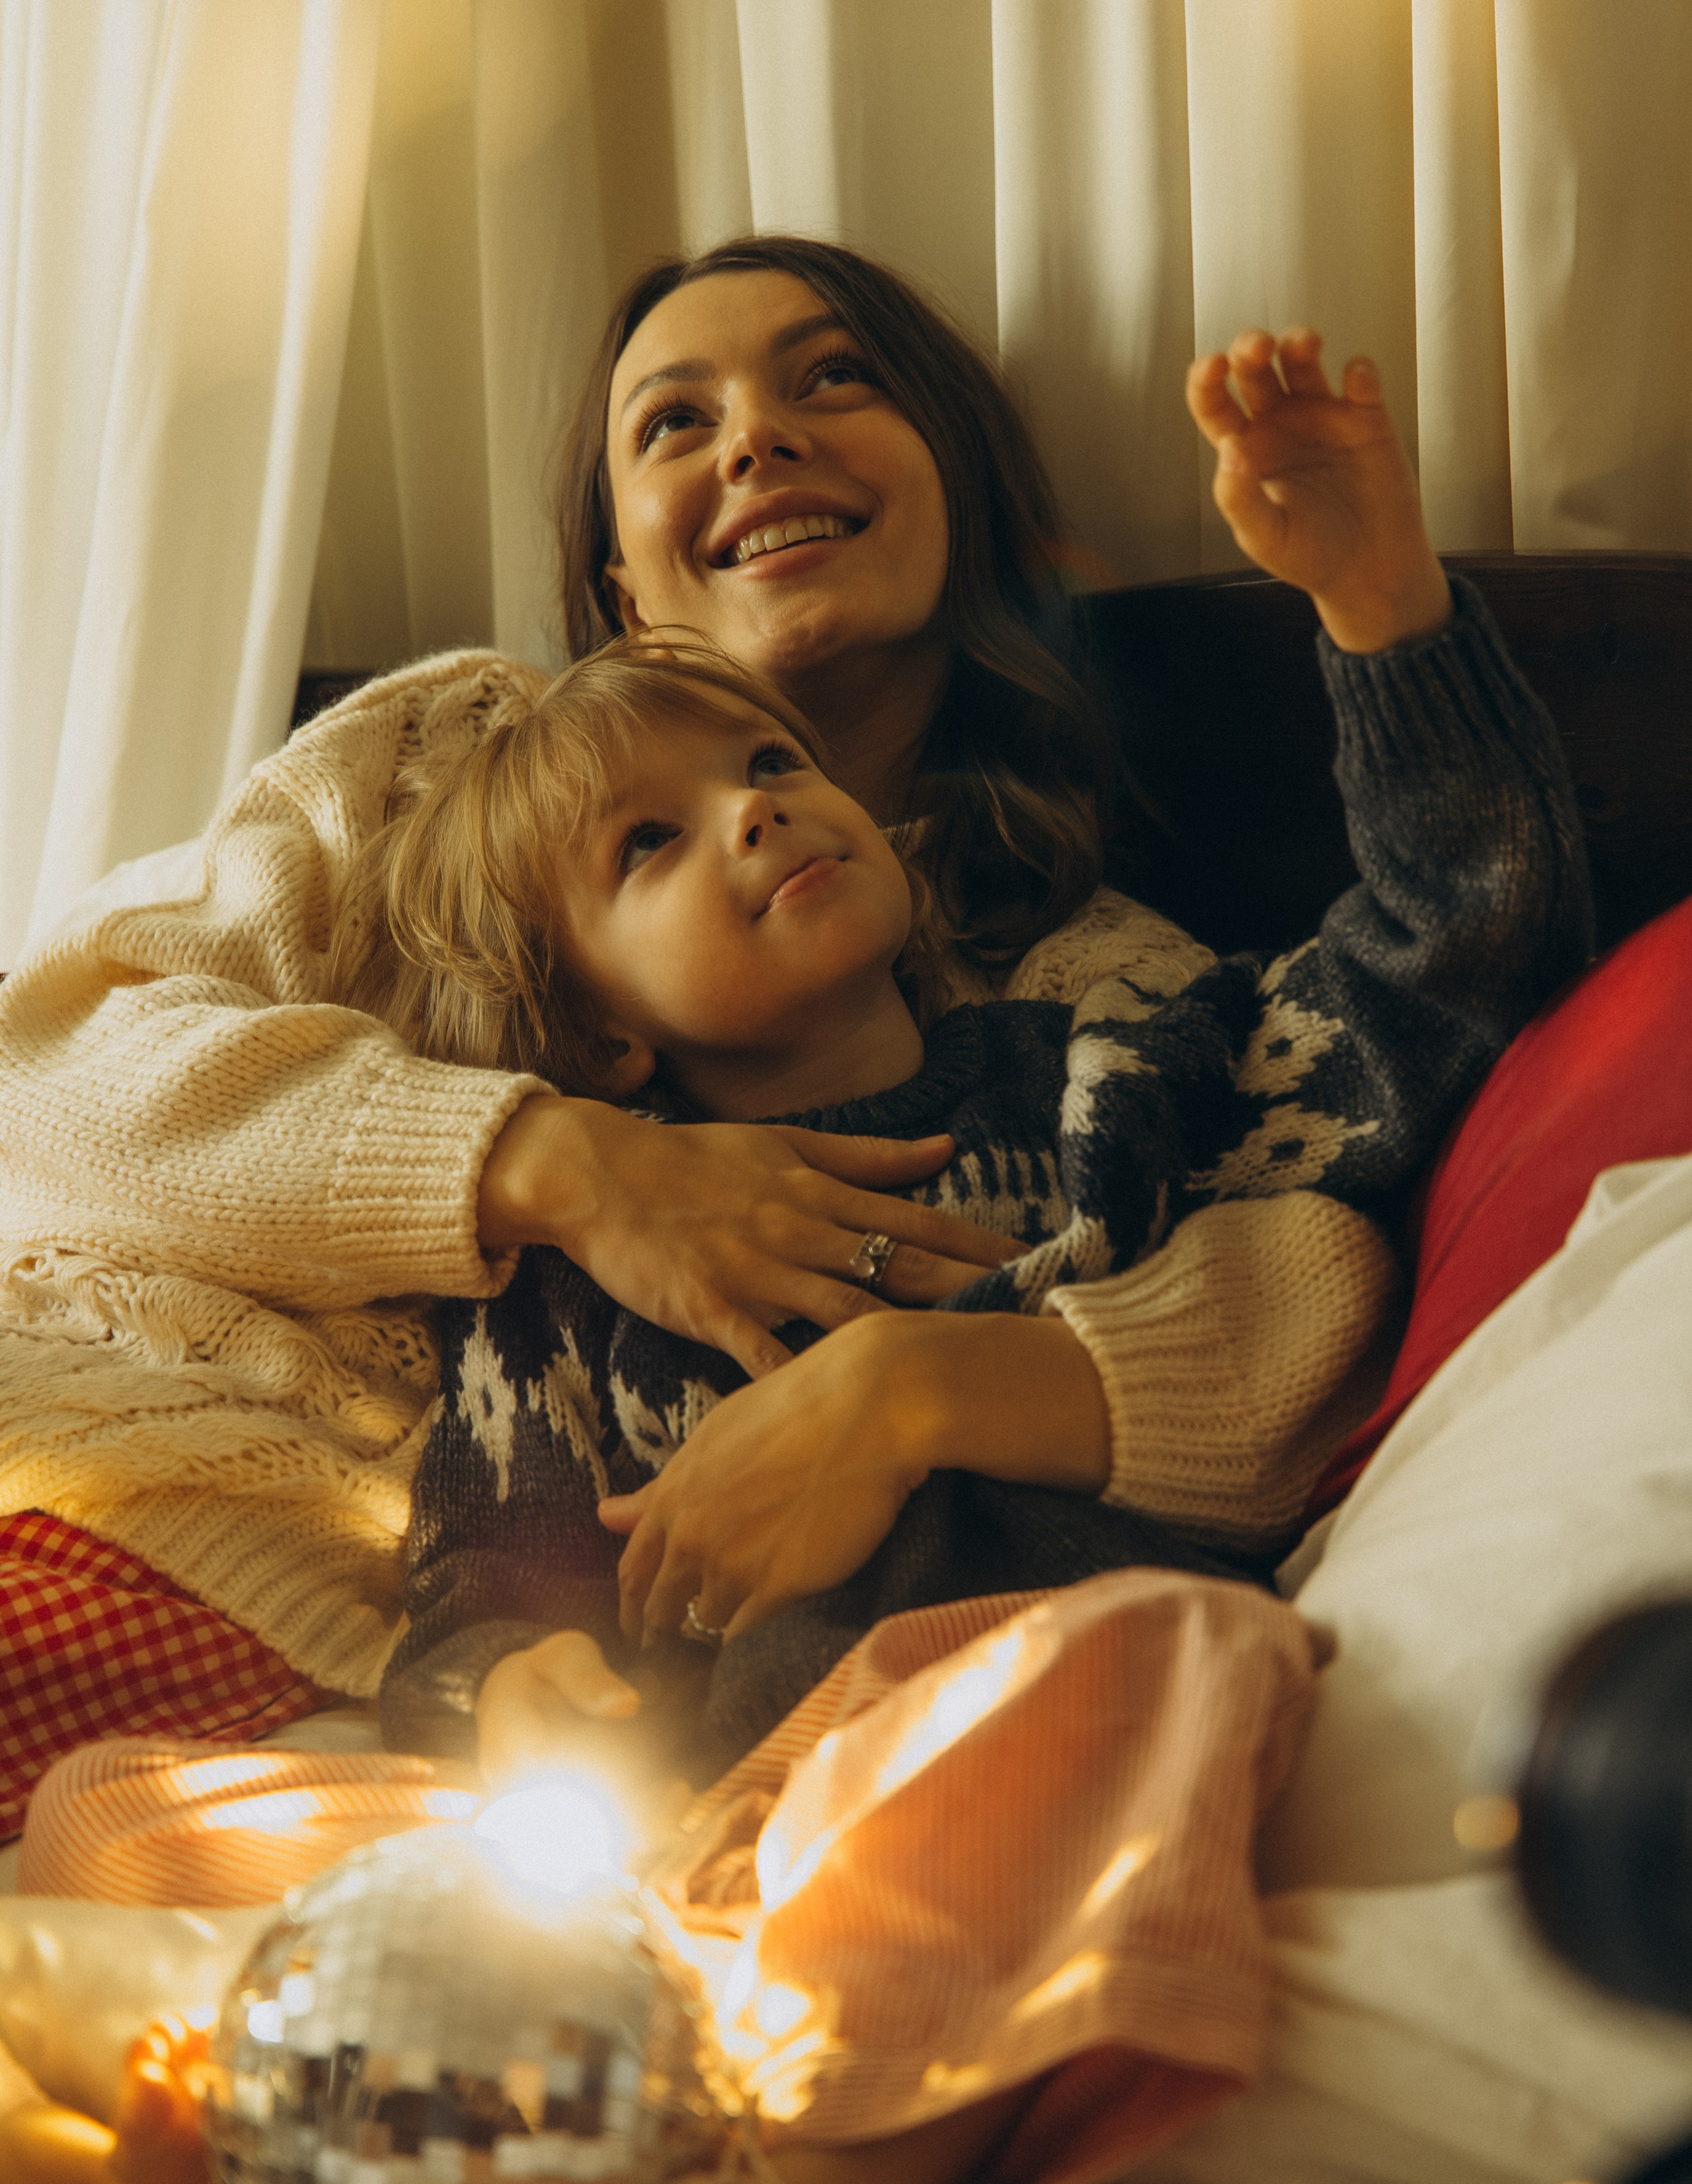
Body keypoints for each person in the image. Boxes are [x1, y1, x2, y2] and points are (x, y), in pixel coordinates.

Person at [0, 235, 1532, 1819]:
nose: (753, 438)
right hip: (85, 1437)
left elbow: (1400, 1065)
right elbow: (35, 1080)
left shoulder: (1095, 1016)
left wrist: (1378, 609)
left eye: (832, 380)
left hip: (725, 1731)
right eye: (673, 422)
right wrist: (555, 1164)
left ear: (958, 492)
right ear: (619, 591)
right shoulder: (436, 767)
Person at [362, 590, 1584, 1791]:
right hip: (783, 1793)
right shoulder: (565, 1294)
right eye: (648, 841)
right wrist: (510, 1695)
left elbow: (1447, 961)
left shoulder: (1110, 1072)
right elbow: (471, 1608)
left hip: (1144, 1702)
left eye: (773, 760)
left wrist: (1384, 607)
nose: (752, 808)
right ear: (597, 1032)